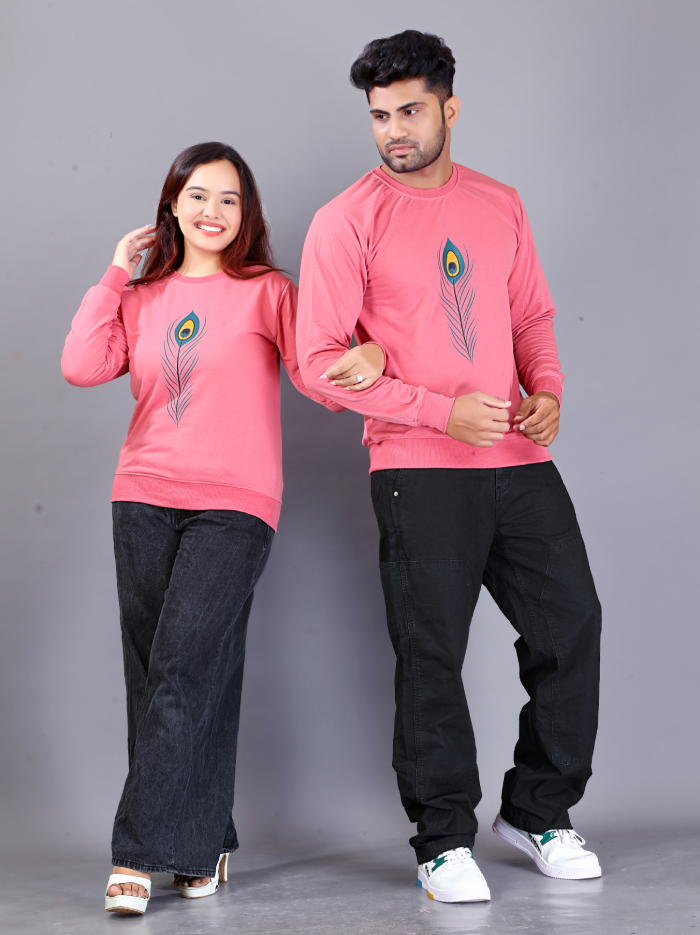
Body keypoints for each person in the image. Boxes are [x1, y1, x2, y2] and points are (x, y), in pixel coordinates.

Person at [297, 31, 603, 903]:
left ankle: (538, 810)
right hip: (418, 466)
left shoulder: (500, 202)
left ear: (450, 108)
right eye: (379, 115)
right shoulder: (346, 219)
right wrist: (439, 411)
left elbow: (531, 313)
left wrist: (547, 388)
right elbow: (315, 363)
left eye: (410, 111)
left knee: (571, 628)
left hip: (519, 457)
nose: (394, 130)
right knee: (432, 652)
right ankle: (441, 839)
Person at [61, 142, 385, 915]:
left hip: (235, 505)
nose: (213, 211)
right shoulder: (141, 299)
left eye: (229, 199)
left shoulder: (270, 292)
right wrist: (115, 274)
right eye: (198, 196)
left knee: (182, 665)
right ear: (172, 206)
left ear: (247, 213)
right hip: (142, 497)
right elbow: (81, 364)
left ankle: (137, 853)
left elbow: (319, 377)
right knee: (161, 674)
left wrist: (368, 357)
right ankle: (203, 840)